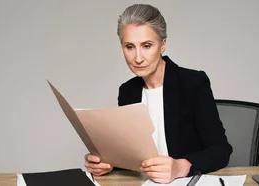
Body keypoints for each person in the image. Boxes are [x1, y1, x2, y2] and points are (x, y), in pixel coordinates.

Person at [83, 4, 233, 184]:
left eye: (146, 46)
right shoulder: (127, 91)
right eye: (130, 47)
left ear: (163, 45)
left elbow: (221, 150)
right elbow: (132, 156)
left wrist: (180, 167)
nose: (138, 58)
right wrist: (108, 163)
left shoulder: (193, 83)